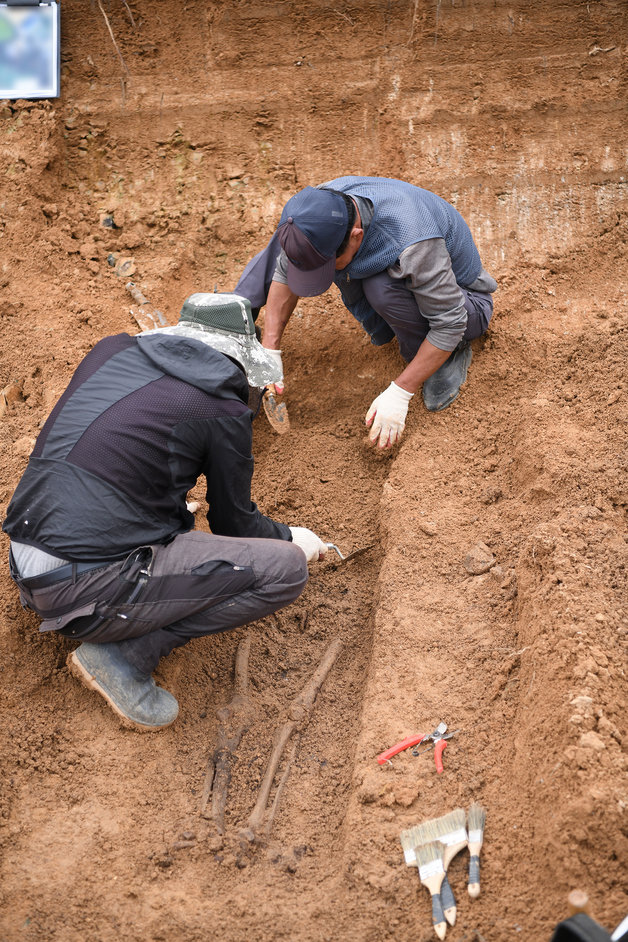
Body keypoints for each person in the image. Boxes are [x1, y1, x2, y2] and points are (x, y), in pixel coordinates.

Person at [3, 293, 328, 731]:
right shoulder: (221, 407)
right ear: (239, 361)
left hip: (26, 556)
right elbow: (234, 522)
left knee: (171, 523)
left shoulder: (111, 351)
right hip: (79, 589)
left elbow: (123, 457)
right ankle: (122, 657)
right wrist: (291, 538)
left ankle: (105, 607)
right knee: (285, 571)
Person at [235, 175, 497, 449]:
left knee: (381, 287)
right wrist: (270, 349)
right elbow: (286, 267)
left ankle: (447, 356)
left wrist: (400, 391)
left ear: (356, 235)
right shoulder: (323, 207)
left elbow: (451, 323)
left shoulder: (414, 243)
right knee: (298, 236)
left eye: (329, 265)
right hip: (394, 268)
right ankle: (235, 315)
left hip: (465, 307)